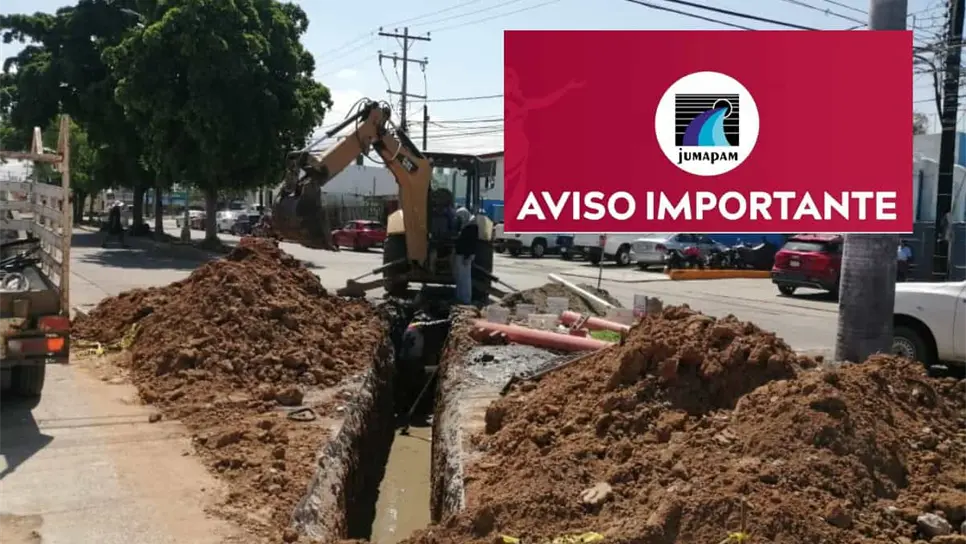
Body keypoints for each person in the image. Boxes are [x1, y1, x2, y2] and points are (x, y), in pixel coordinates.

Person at [453, 207, 477, 304]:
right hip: (461, 255)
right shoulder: (466, 225)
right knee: (460, 278)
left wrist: (467, 257)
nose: (459, 219)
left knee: (465, 279)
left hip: (465, 256)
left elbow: (470, 243)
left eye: (460, 217)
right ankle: (460, 297)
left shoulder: (471, 227)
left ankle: (465, 299)